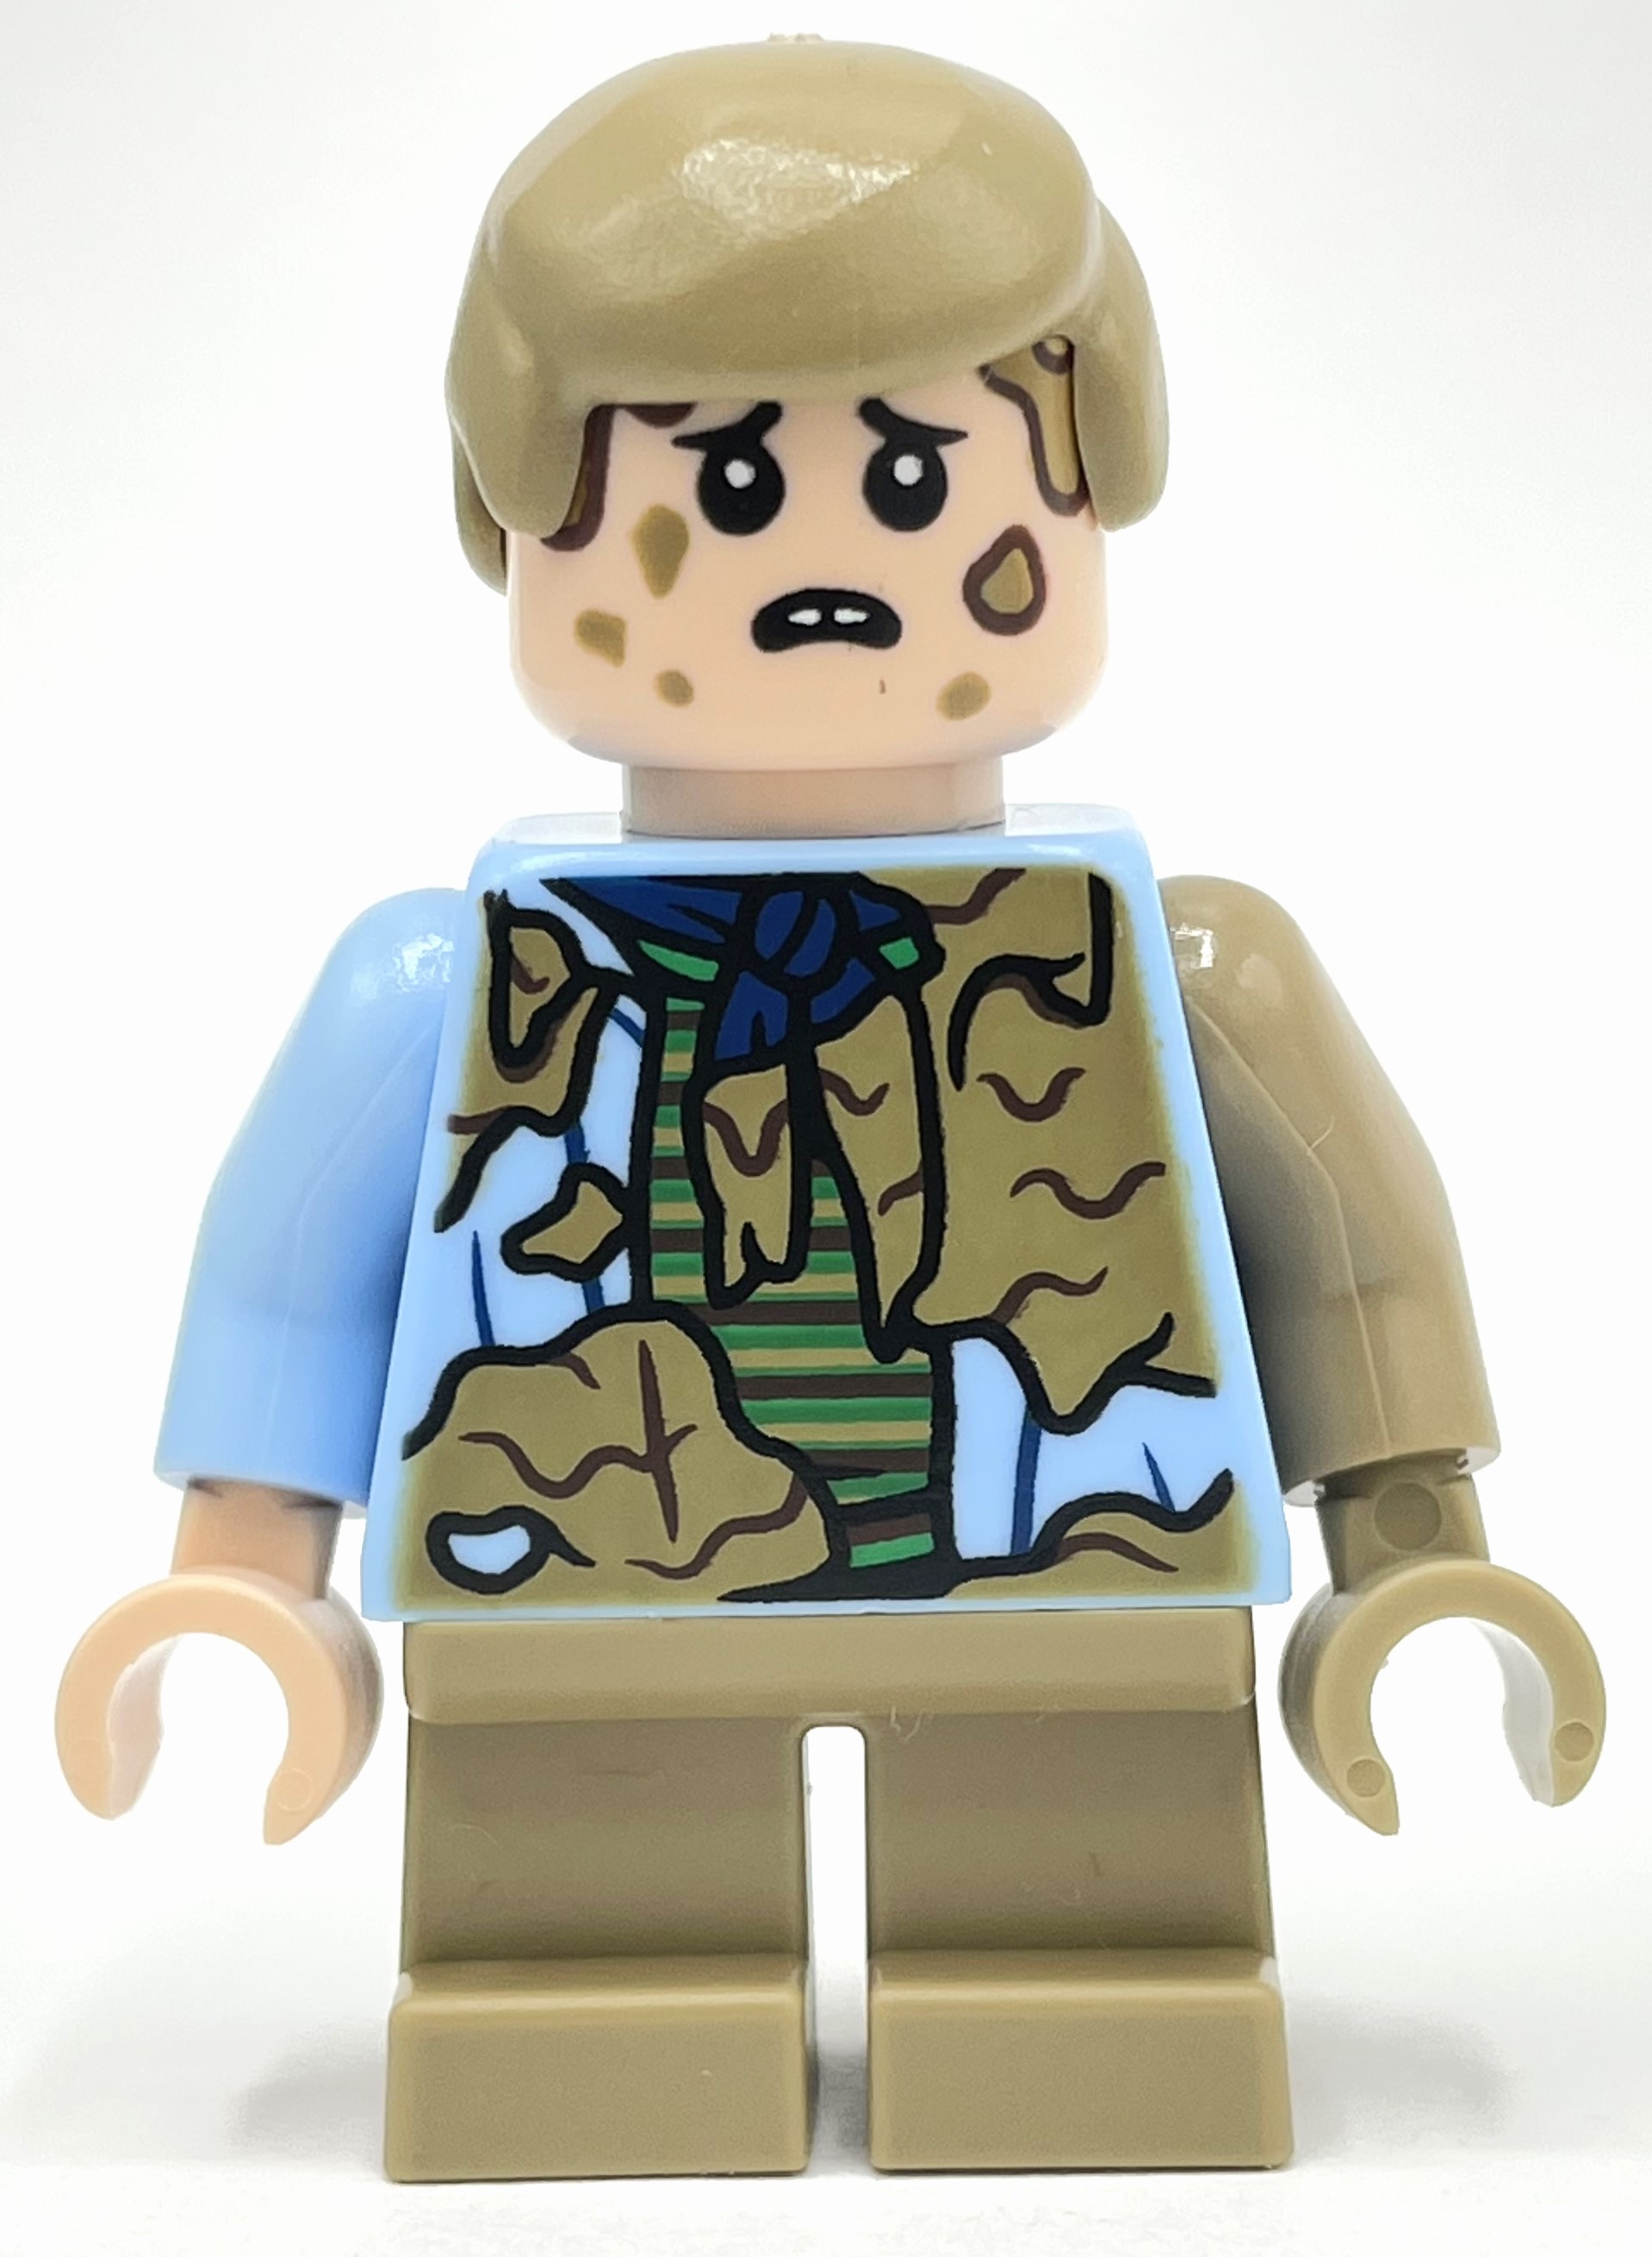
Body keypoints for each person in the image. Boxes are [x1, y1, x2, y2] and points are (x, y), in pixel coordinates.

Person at [57, 37, 1604, 2180]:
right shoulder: (455, 979)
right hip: (584, 1571)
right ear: (508, 511)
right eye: (716, 487)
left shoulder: (1167, 962)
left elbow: (1351, 1244)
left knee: (1085, 1931)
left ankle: (1095, 1994)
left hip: (1072, 1567)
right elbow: (296, 1279)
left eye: (910, 484)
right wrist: (247, 1579)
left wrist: (1404, 1552)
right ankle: (582, 2007)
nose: (821, 574)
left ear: (1086, 486)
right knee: (587, 1941)